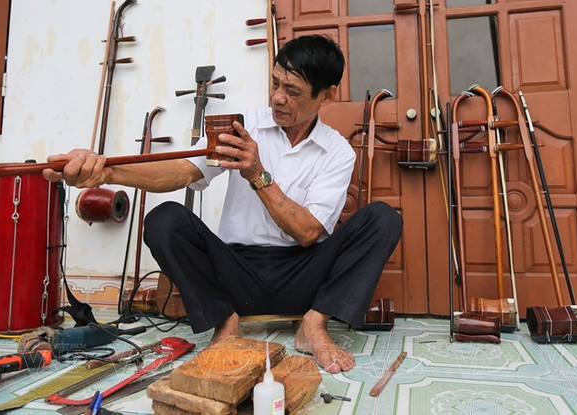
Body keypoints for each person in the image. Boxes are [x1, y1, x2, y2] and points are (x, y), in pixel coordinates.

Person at [44, 35, 402, 373]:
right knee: (164, 219)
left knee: (383, 219)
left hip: (304, 276)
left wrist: (257, 173)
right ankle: (225, 322)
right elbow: (181, 171)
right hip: (235, 275)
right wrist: (106, 172)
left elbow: (308, 232)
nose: (278, 97)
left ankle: (314, 323)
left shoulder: (337, 149)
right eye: (275, 83)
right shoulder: (241, 126)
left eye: (292, 91)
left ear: (327, 96)